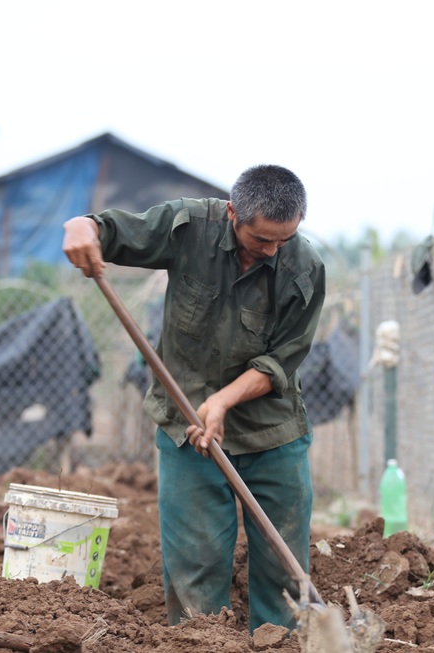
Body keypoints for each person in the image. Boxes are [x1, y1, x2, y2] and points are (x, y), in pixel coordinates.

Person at [62, 164, 325, 633]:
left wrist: (222, 401)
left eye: (284, 240)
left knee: (282, 570)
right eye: (262, 239)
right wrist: (85, 227)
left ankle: (279, 642)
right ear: (231, 213)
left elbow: (283, 361)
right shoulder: (187, 228)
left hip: (272, 435)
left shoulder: (304, 268)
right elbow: (116, 232)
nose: (272, 250)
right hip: (187, 430)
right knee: (195, 568)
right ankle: (202, 642)